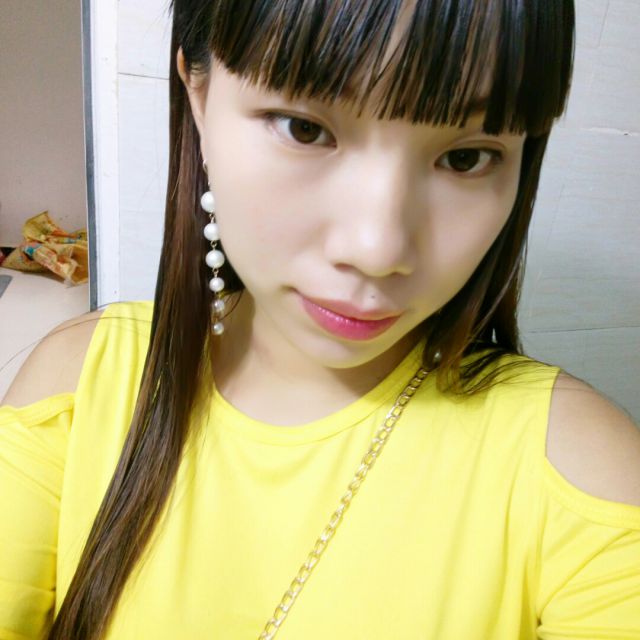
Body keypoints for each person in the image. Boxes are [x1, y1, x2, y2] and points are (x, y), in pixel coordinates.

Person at [1, 0, 639, 638]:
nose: (377, 250)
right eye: (305, 129)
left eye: (466, 158)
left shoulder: (584, 472)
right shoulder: (79, 387)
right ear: (198, 94)